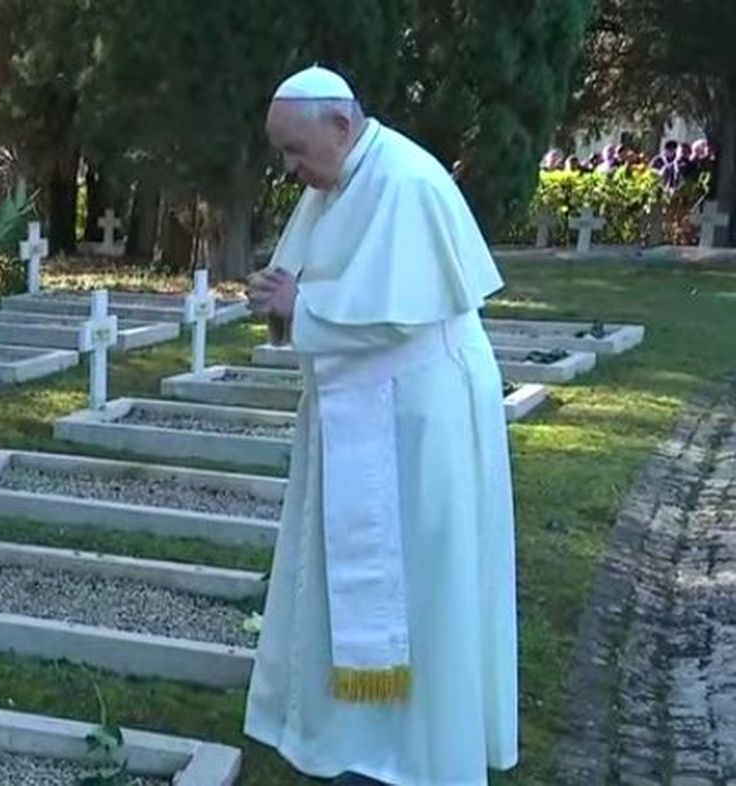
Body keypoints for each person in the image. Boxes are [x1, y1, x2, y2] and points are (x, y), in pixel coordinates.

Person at [242, 65, 518, 786]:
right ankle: (358, 734)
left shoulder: (407, 183)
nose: (290, 169)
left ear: (341, 123)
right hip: (362, 405)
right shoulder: (339, 182)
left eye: (296, 150)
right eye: (281, 153)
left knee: (423, 588)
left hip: (421, 420)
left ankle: (422, 749)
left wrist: (298, 305)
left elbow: (394, 312)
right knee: (355, 581)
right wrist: (283, 302)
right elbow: (322, 293)